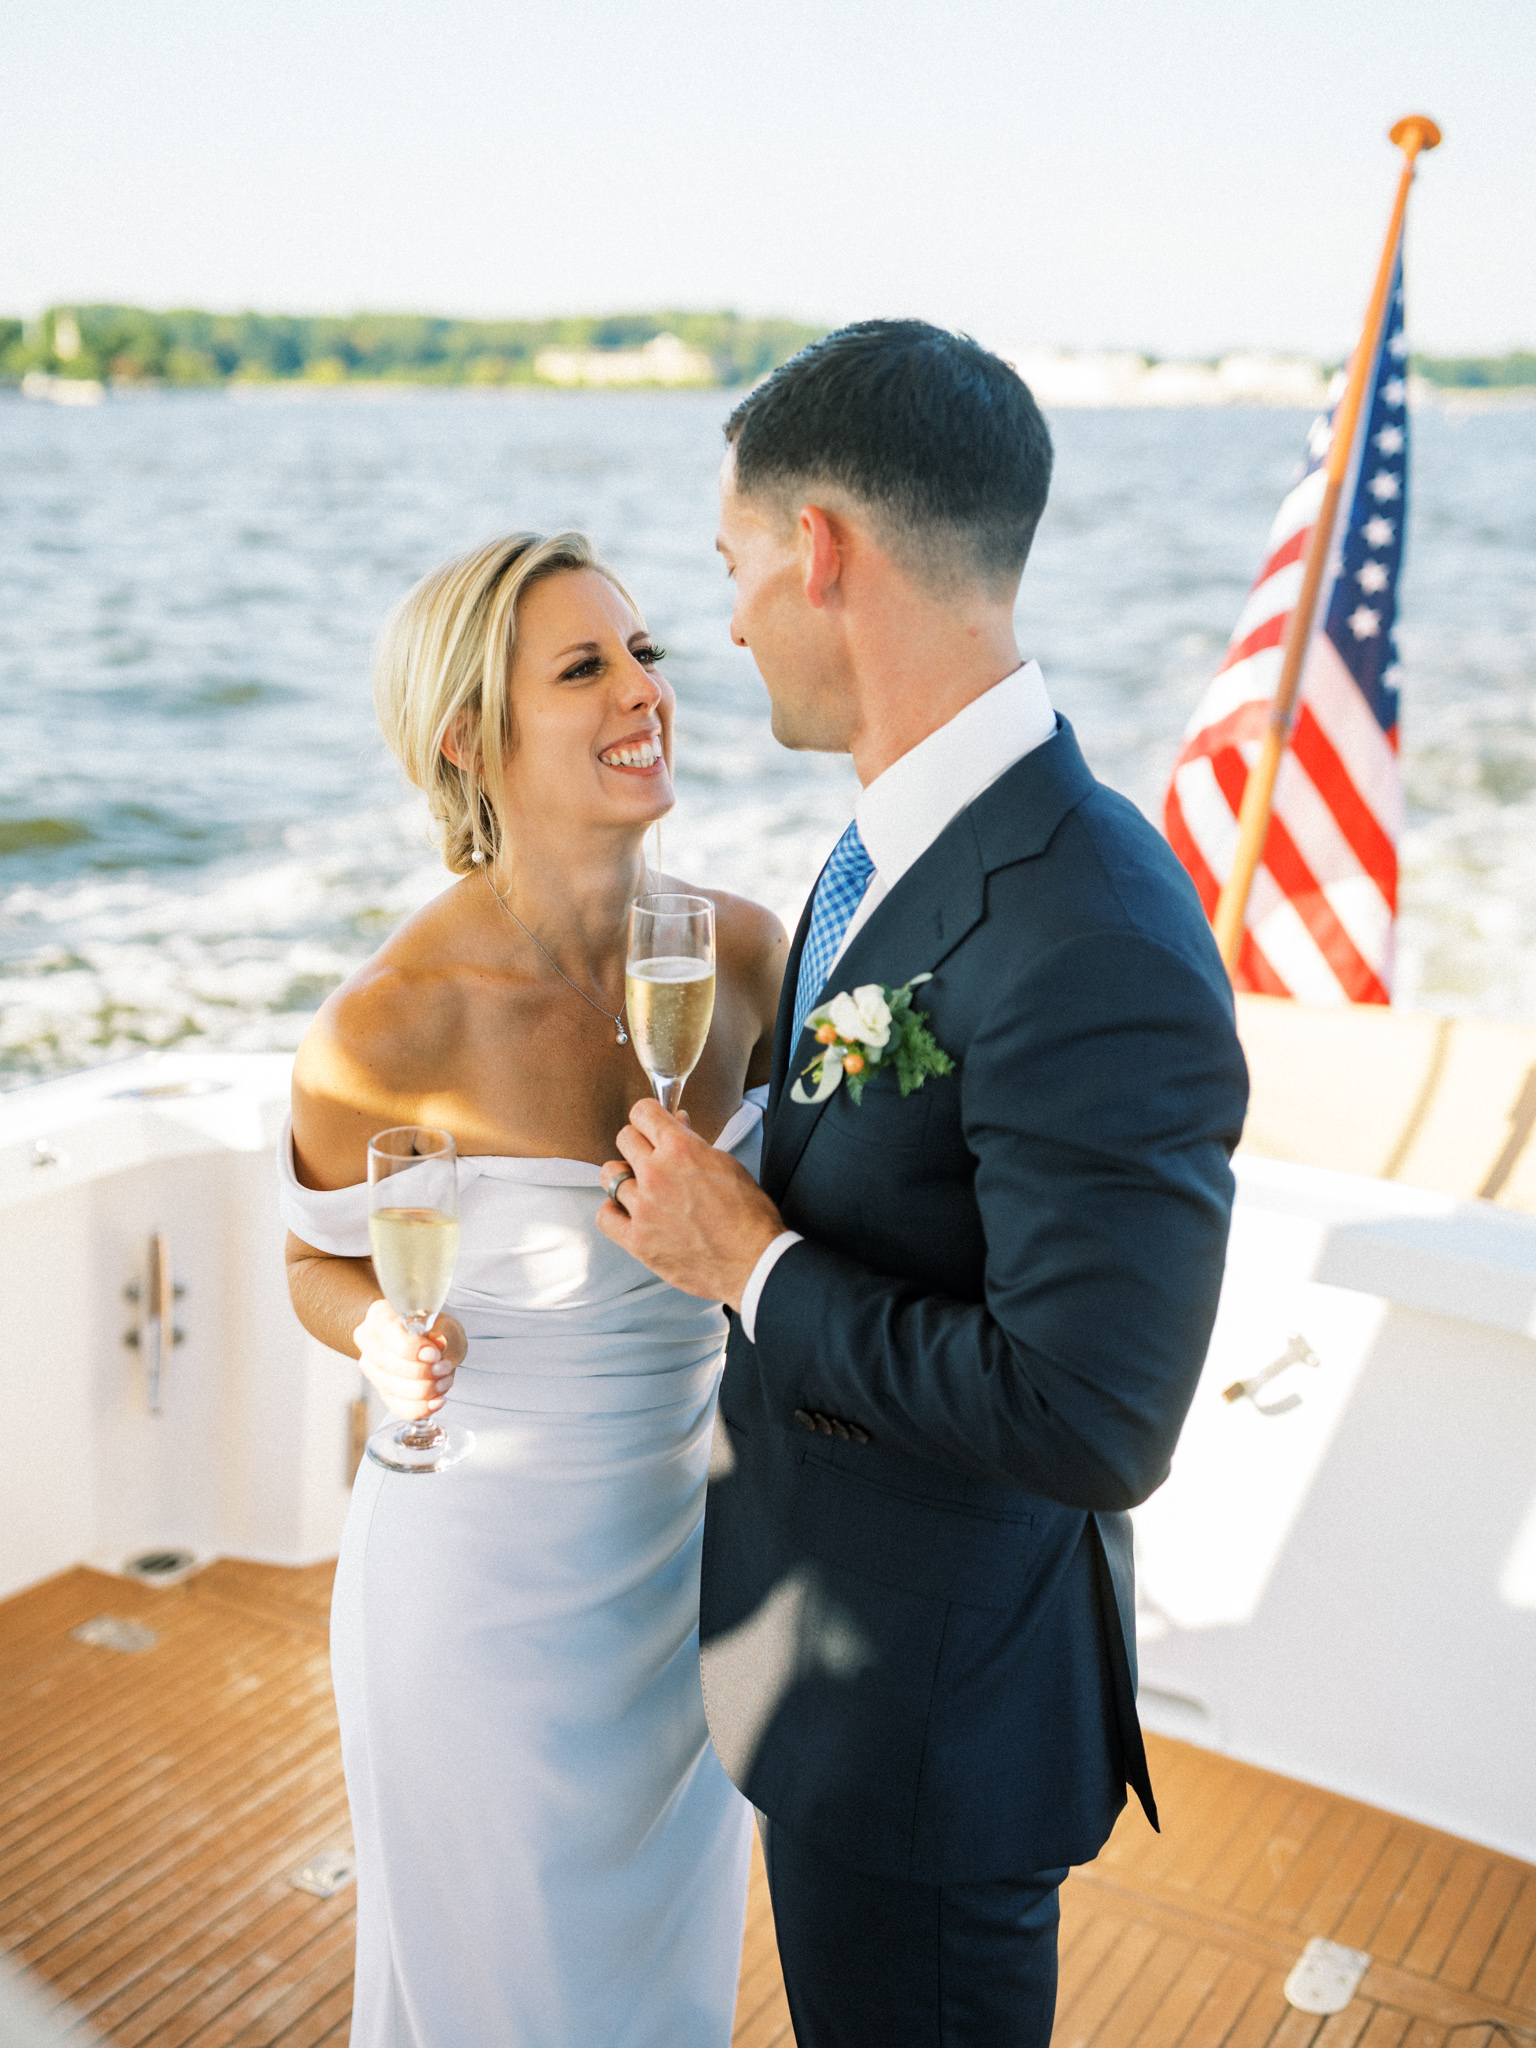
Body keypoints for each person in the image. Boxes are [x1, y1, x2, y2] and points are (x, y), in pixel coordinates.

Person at [597, 321, 1251, 2046]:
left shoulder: (1094, 926)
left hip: (939, 1726)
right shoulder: (891, 833)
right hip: (832, 1668)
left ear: (819, 551)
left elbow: (1094, 1416)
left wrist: (749, 1267)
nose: (725, 618)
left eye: (733, 565)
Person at [280, 530, 787, 2048]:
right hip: (477, 1608)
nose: (646, 689)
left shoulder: (751, 957)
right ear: (467, 737)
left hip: (694, 1586)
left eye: (645, 653)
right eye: (585, 667)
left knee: (656, 2003)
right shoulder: (387, 1027)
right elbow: (319, 1260)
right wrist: (376, 1333)